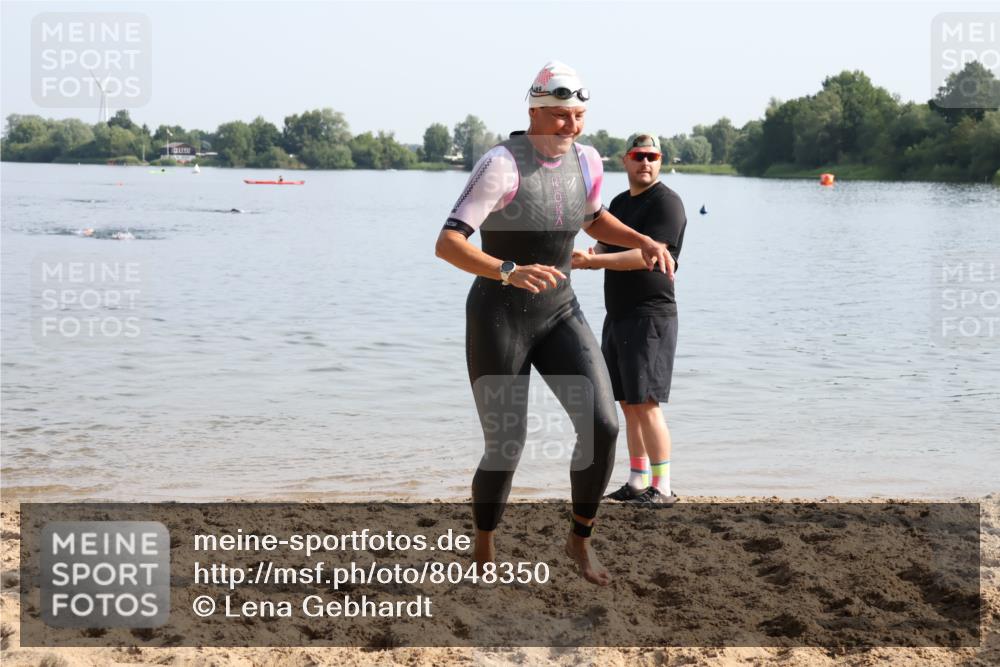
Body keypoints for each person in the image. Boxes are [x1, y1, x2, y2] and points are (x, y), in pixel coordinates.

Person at [435, 62, 675, 586]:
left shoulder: (588, 160)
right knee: (507, 443)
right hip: (499, 315)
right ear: (535, 112)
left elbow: (590, 219)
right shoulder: (502, 164)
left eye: (579, 116)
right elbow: (448, 243)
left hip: (560, 310)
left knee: (604, 426)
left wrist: (643, 241)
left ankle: (579, 541)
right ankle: (483, 549)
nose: (571, 126)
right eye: (561, 115)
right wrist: (507, 270)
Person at [572, 133, 687, 507]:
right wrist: (583, 254)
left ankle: (663, 487)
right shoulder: (620, 202)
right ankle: (637, 481)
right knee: (626, 401)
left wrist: (594, 262)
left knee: (647, 402)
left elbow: (646, 256)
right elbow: (607, 244)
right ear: (626, 160)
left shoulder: (667, 204)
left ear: (660, 159)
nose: (645, 163)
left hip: (650, 315)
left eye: (652, 156)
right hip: (618, 314)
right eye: (638, 156)